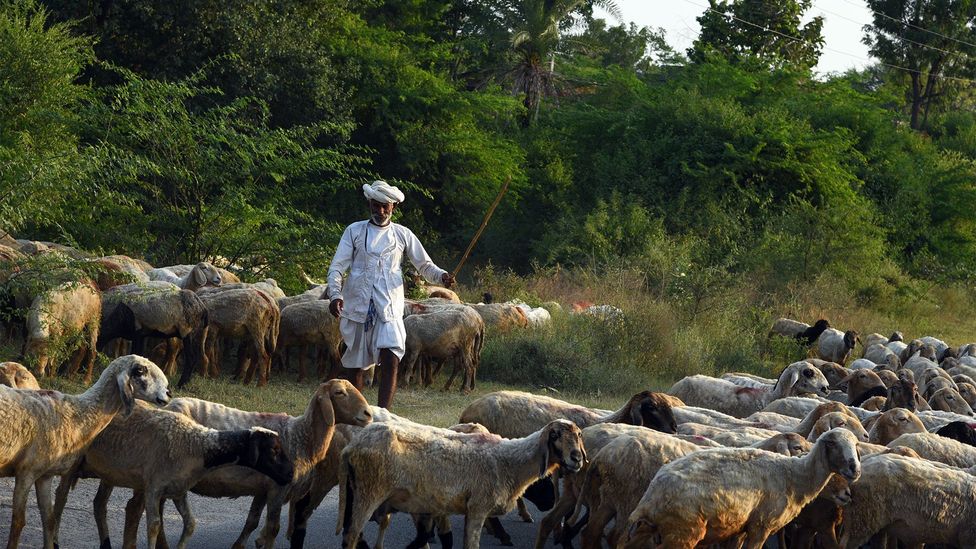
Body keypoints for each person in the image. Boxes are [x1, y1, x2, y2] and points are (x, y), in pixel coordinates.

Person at [325, 180, 454, 409]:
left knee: (391, 357)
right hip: (357, 307)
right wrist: (335, 295)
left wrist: (442, 276)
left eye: (385, 206)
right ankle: (358, 414)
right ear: (369, 204)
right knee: (356, 367)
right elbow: (337, 267)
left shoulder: (403, 235)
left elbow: (424, 265)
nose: (380, 211)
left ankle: (384, 415)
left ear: (394, 207)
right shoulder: (354, 231)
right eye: (376, 205)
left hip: (389, 308)